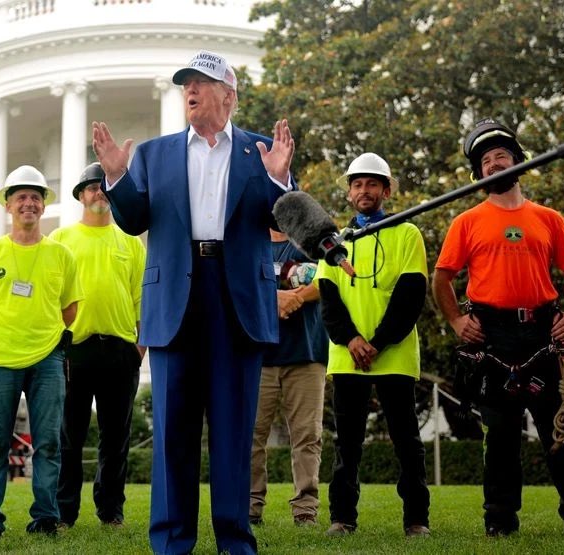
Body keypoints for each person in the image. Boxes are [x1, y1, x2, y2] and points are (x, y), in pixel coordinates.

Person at [91, 49, 295, 554]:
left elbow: (282, 221)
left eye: (200, 82)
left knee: (233, 430)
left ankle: (234, 540)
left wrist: (278, 180)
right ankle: (171, 542)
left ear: (228, 94)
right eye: (185, 84)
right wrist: (116, 180)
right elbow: (136, 220)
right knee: (172, 432)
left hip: (237, 296)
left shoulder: (261, 152)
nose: (190, 90)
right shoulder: (153, 154)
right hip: (174, 297)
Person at [432, 118, 564, 536]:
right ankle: (500, 522)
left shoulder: (548, 218)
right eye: (486, 160)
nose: (494, 164)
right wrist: (456, 320)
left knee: (560, 433)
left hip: (543, 333)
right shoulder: (467, 222)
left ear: (519, 162)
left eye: (501, 156)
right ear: (478, 174)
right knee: (503, 436)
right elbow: (441, 277)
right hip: (491, 336)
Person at [316, 153, 431, 538]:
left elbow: (411, 297)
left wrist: (377, 343)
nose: (364, 191)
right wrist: (351, 340)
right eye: (357, 184)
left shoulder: (407, 234)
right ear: (349, 193)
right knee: (346, 444)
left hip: (394, 355)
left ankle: (417, 520)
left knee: (407, 442)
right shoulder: (333, 243)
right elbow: (328, 300)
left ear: (387, 189)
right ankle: (342, 519)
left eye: (372, 184)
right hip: (346, 357)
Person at [0, 165, 82, 539]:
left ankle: (45, 516)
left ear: (43, 206)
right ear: (8, 205)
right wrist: (1, 337)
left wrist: (41, 336)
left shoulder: (61, 255)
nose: (28, 203)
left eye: (35, 197)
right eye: (21, 197)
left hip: (48, 359)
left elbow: (70, 309)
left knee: (47, 442)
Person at [52, 162, 147, 528]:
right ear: (80, 195)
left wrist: (139, 352)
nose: (99, 193)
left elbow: (142, 301)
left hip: (121, 351)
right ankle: (64, 512)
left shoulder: (130, 242)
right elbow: (49, 298)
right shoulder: (60, 240)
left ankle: (111, 511)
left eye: (104, 187)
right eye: (91, 187)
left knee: (116, 438)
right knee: (69, 437)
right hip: (72, 350)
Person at [249, 229, 329, 528]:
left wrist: (295, 297)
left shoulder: (313, 241)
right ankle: (250, 506)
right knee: (251, 436)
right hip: (257, 356)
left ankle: (305, 509)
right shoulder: (248, 240)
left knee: (308, 436)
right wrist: (274, 299)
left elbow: (330, 278)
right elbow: (235, 285)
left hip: (307, 354)